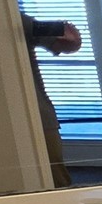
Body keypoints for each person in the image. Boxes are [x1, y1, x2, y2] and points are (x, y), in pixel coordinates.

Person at [21, 14, 83, 188]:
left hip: (40, 112)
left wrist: (69, 37)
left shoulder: (18, 21)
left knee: (56, 174)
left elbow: (69, 44)